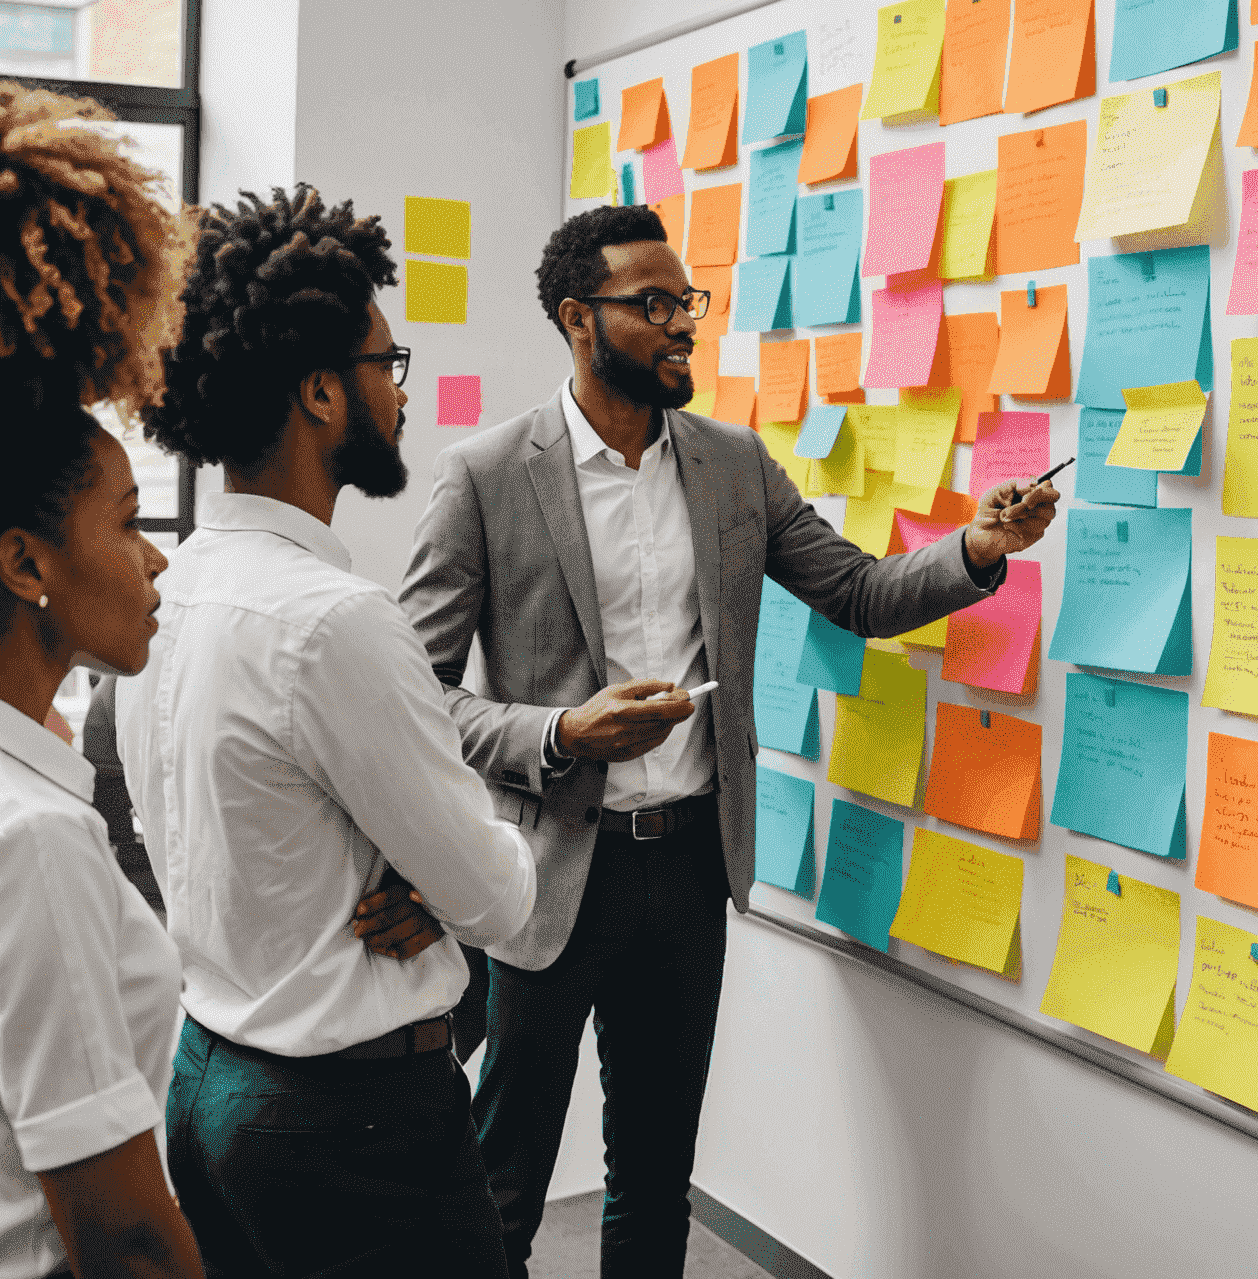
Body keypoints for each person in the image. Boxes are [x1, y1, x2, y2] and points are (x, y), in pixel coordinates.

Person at [398, 202, 1060, 1277]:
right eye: (652, 305)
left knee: (654, 1176)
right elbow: (417, 693)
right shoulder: (485, 474)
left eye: (686, 303)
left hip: (690, 868)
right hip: (548, 871)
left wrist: (978, 548)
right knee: (502, 1178)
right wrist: (560, 731)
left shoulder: (732, 465)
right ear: (578, 317)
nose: (682, 326)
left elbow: (856, 590)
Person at [115, 186, 539, 1279]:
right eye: (385, 369)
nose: (400, 398)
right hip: (353, 1124)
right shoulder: (335, 623)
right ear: (318, 392)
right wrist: (446, 861)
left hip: (210, 1080)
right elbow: (500, 898)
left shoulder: (167, 588)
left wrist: (414, 858)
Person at [0, 81, 203, 1279]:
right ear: (26, 562)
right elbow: (122, 1235)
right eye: (130, 522)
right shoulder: (34, 842)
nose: (154, 555)